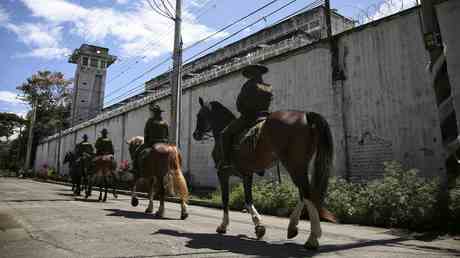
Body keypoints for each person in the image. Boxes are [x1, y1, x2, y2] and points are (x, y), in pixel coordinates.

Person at [219, 64, 273, 171]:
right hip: (266, 115)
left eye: (249, 74)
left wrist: (243, 110)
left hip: (249, 117)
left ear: (251, 74)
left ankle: (226, 162)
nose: (249, 76)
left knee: (224, 134)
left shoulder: (248, 85)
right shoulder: (268, 87)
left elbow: (239, 103)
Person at [134, 104, 169, 175]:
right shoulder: (165, 123)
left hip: (152, 143)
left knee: (137, 152)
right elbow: (167, 135)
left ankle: (135, 169)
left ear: (154, 112)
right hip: (164, 143)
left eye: (154, 112)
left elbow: (146, 133)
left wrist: (146, 142)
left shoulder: (150, 121)